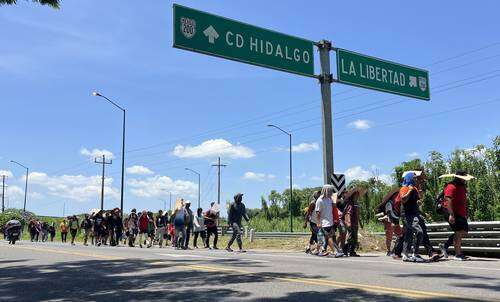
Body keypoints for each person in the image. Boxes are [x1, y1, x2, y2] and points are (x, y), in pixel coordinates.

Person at [439, 170, 474, 261]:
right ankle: (458, 254)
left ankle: (445, 246)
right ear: (458, 177)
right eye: (463, 178)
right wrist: (451, 214)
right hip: (451, 212)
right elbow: (447, 200)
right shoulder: (451, 186)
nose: (464, 180)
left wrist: (466, 212)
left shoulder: (462, 186)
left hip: (461, 213)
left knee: (464, 231)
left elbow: (463, 199)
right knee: (458, 232)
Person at [315, 185, 344, 257]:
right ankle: (335, 252)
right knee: (329, 237)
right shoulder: (319, 200)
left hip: (330, 222)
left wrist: (337, 198)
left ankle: (317, 250)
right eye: (330, 191)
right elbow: (317, 212)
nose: (331, 192)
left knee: (322, 238)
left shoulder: (329, 199)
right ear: (326, 191)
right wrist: (318, 222)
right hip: (324, 223)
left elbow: (334, 207)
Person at [375, 189, 403, 256]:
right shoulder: (389, 203)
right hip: (389, 221)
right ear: (394, 195)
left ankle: (394, 249)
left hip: (395, 221)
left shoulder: (397, 203)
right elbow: (389, 213)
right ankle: (388, 251)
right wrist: (397, 218)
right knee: (389, 237)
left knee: (400, 235)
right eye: (397, 194)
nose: (398, 196)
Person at [343, 188, 364, 257]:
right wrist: (348, 222)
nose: (357, 196)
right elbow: (348, 213)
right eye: (356, 195)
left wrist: (360, 223)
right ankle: (345, 249)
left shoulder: (356, 204)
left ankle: (352, 251)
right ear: (353, 196)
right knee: (351, 238)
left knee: (355, 238)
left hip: (355, 223)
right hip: (351, 223)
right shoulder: (350, 204)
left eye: (358, 195)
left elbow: (358, 215)